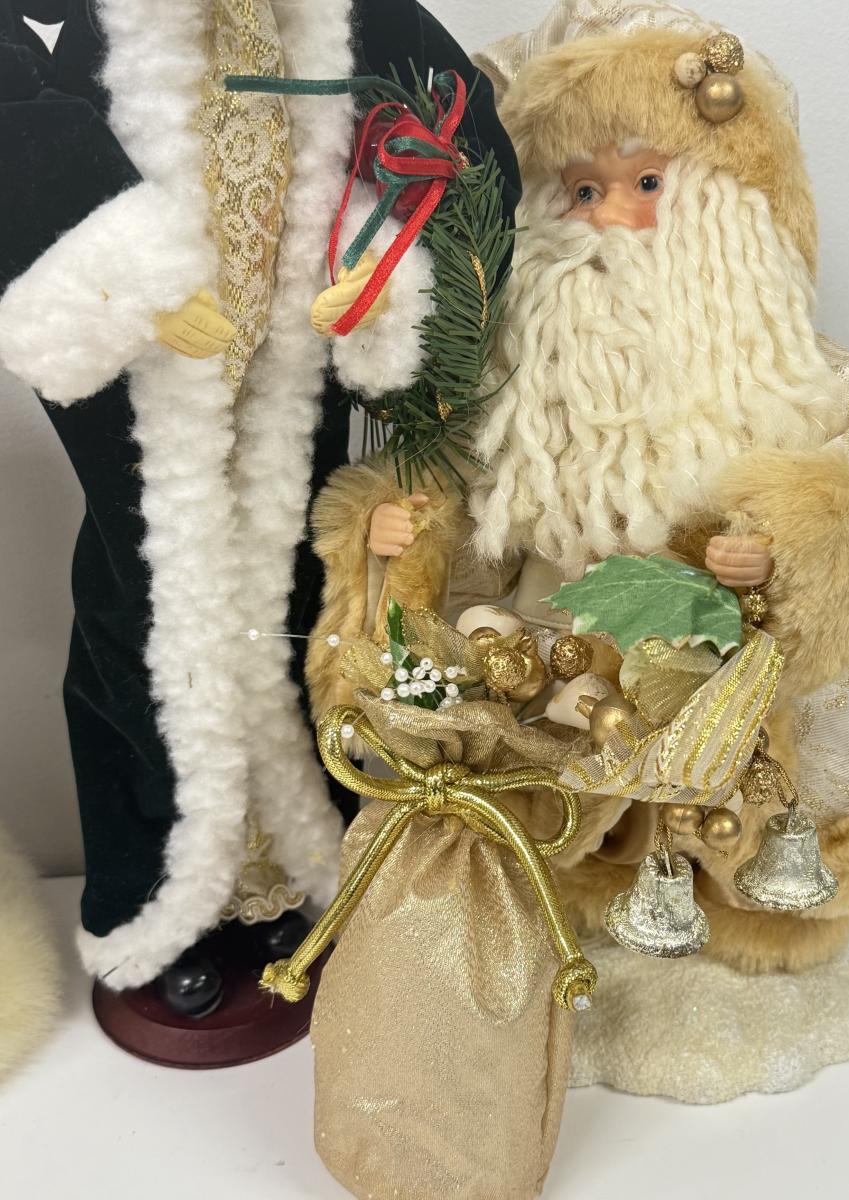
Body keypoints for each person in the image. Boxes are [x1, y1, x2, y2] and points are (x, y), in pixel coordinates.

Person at [306, 0, 849, 1094]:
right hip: (564, 649)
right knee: (558, 754)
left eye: (646, 182)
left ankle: (745, 922)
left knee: (745, 771)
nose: (612, 220)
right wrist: (406, 534)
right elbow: (466, 500)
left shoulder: (790, 373)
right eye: (581, 191)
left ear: (726, 200)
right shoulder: (516, 386)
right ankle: (587, 907)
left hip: (728, 662)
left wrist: (790, 532)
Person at [0, 0, 519, 1027]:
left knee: (293, 599)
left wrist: (373, 265)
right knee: (147, 606)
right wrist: (121, 270)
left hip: (289, 354)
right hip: (148, 363)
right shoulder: (93, 21)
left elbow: (449, 134)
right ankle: (169, 906)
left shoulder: (338, 17)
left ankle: (287, 876)